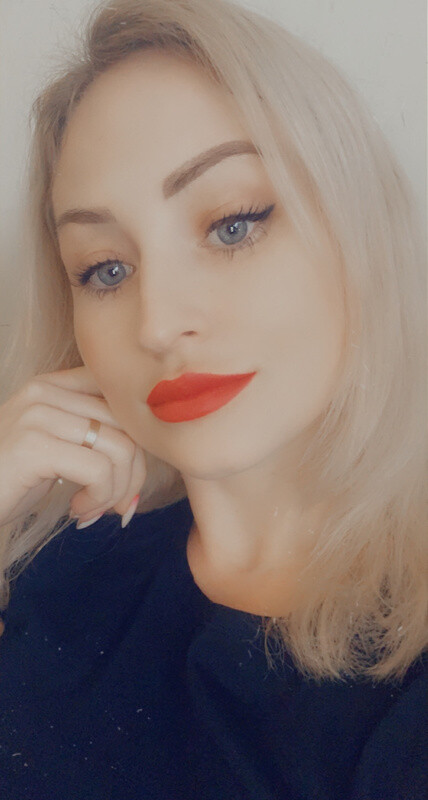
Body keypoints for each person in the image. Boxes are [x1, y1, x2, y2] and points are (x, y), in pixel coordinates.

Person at [0, 0, 426, 797]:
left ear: (358, 227)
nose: (157, 324)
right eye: (105, 269)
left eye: (233, 224)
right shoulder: (60, 572)